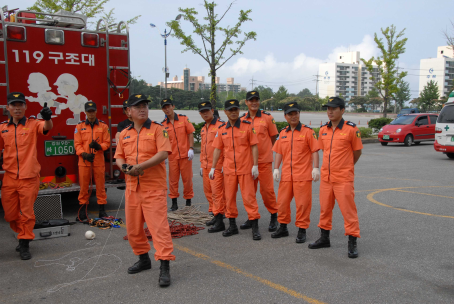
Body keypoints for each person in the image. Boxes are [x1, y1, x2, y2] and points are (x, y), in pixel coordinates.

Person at [114, 94, 175, 287]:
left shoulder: (158, 130)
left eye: (145, 106)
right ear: (128, 112)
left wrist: (141, 167)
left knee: (159, 229)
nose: (142, 109)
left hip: (153, 188)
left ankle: (164, 266)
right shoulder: (125, 134)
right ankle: (143, 259)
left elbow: (163, 153)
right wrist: (125, 168)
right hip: (132, 189)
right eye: (137, 106)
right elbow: (119, 157)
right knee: (133, 229)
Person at [0, 92, 53, 260]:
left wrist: (47, 118)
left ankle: (24, 243)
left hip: (29, 176)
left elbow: (46, 127)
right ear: (7, 108)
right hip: (9, 177)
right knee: (9, 214)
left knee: (27, 213)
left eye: (20, 105)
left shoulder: (32, 124)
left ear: (25, 107)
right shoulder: (3, 128)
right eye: (13, 105)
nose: (17, 108)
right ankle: (21, 233)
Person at [308, 97, 363, 258]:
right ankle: (324, 238)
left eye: (333, 108)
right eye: (328, 109)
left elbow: (357, 151)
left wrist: (347, 166)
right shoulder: (323, 130)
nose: (330, 112)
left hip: (343, 178)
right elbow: (324, 150)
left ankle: (352, 242)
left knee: (348, 211)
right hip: (326, 177)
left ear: (342, 110)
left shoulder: (351, 129)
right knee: (325, 209)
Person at [211, 99, 262, 241]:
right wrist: (213, 167)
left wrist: (255, 165)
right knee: (229, 199)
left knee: (249, 198)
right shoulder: (222, 130)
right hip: (228, 170)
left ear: (238, 111)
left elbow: (254, 146)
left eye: (235, 110)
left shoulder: (247, 126)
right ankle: (232, 226)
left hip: (245, 169)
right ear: (225, 112)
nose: (233, 112)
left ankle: (255, 227)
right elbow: (217, 149)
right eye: (230, 110)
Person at [271, 102, 320, 243]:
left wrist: (316, 168)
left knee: (303, 204)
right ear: (285, 116)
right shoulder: (283, 133)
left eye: (296, 113)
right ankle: (283, 227)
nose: (293, 116)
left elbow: (314, 150)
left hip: (303, 175)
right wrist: (276, 168)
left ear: (299, 114)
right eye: (290, 114)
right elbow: (279, 152)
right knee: (282, 203)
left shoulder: (308, 132)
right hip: (286, 175)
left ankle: (302, 230)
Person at [240, 90, 279, 232]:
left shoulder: (267, 118)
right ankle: (252, 217)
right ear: (246, 102)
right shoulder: (242, 119)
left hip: (264, 161)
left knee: (267, 191)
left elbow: (274, 137)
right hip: (247, 163)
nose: (254, 102)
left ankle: (274, 215)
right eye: (251, 100)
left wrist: (267, 151)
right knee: (249, 193)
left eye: (256, 99)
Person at [74, 102, 110, 221]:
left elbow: (107, 142)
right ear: (85, 112)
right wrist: (83, 154)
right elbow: (77, 144)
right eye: (88, 111)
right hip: (84, 161)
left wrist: (99, 147)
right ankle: (82, 211)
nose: (91, 113)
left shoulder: (103, 126)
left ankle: (102, 210)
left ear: (96, 111)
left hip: (98, 159)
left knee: (100, 185)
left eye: (92, 111)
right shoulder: (80, 126)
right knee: (84, 186)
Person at [161, 99, 195, 211]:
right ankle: (174, 204)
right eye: (164, 108)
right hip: (172, 157)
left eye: (168, 106)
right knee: (173, 181)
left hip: (185, 155)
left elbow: (190, 133)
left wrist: (191, 148)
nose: (167, 109)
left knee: (187, 180)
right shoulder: (162, 125)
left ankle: (188, 203)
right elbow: (163, 142)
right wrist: (163, 155)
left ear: (173, 106)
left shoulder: (183, 119)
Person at [197, 101, 226, 233]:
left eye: (207, 111)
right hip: (206, 165)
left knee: (217, 193)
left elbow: (226, 147)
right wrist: (202, 165)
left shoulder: (221, 126)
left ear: (212, 111)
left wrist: (225, 164)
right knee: (208, 191)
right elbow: (203, 148)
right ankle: (215, 214)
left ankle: (220, 221)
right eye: (202, 112)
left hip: (218, 166)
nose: (205, 113)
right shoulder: (204, 128)